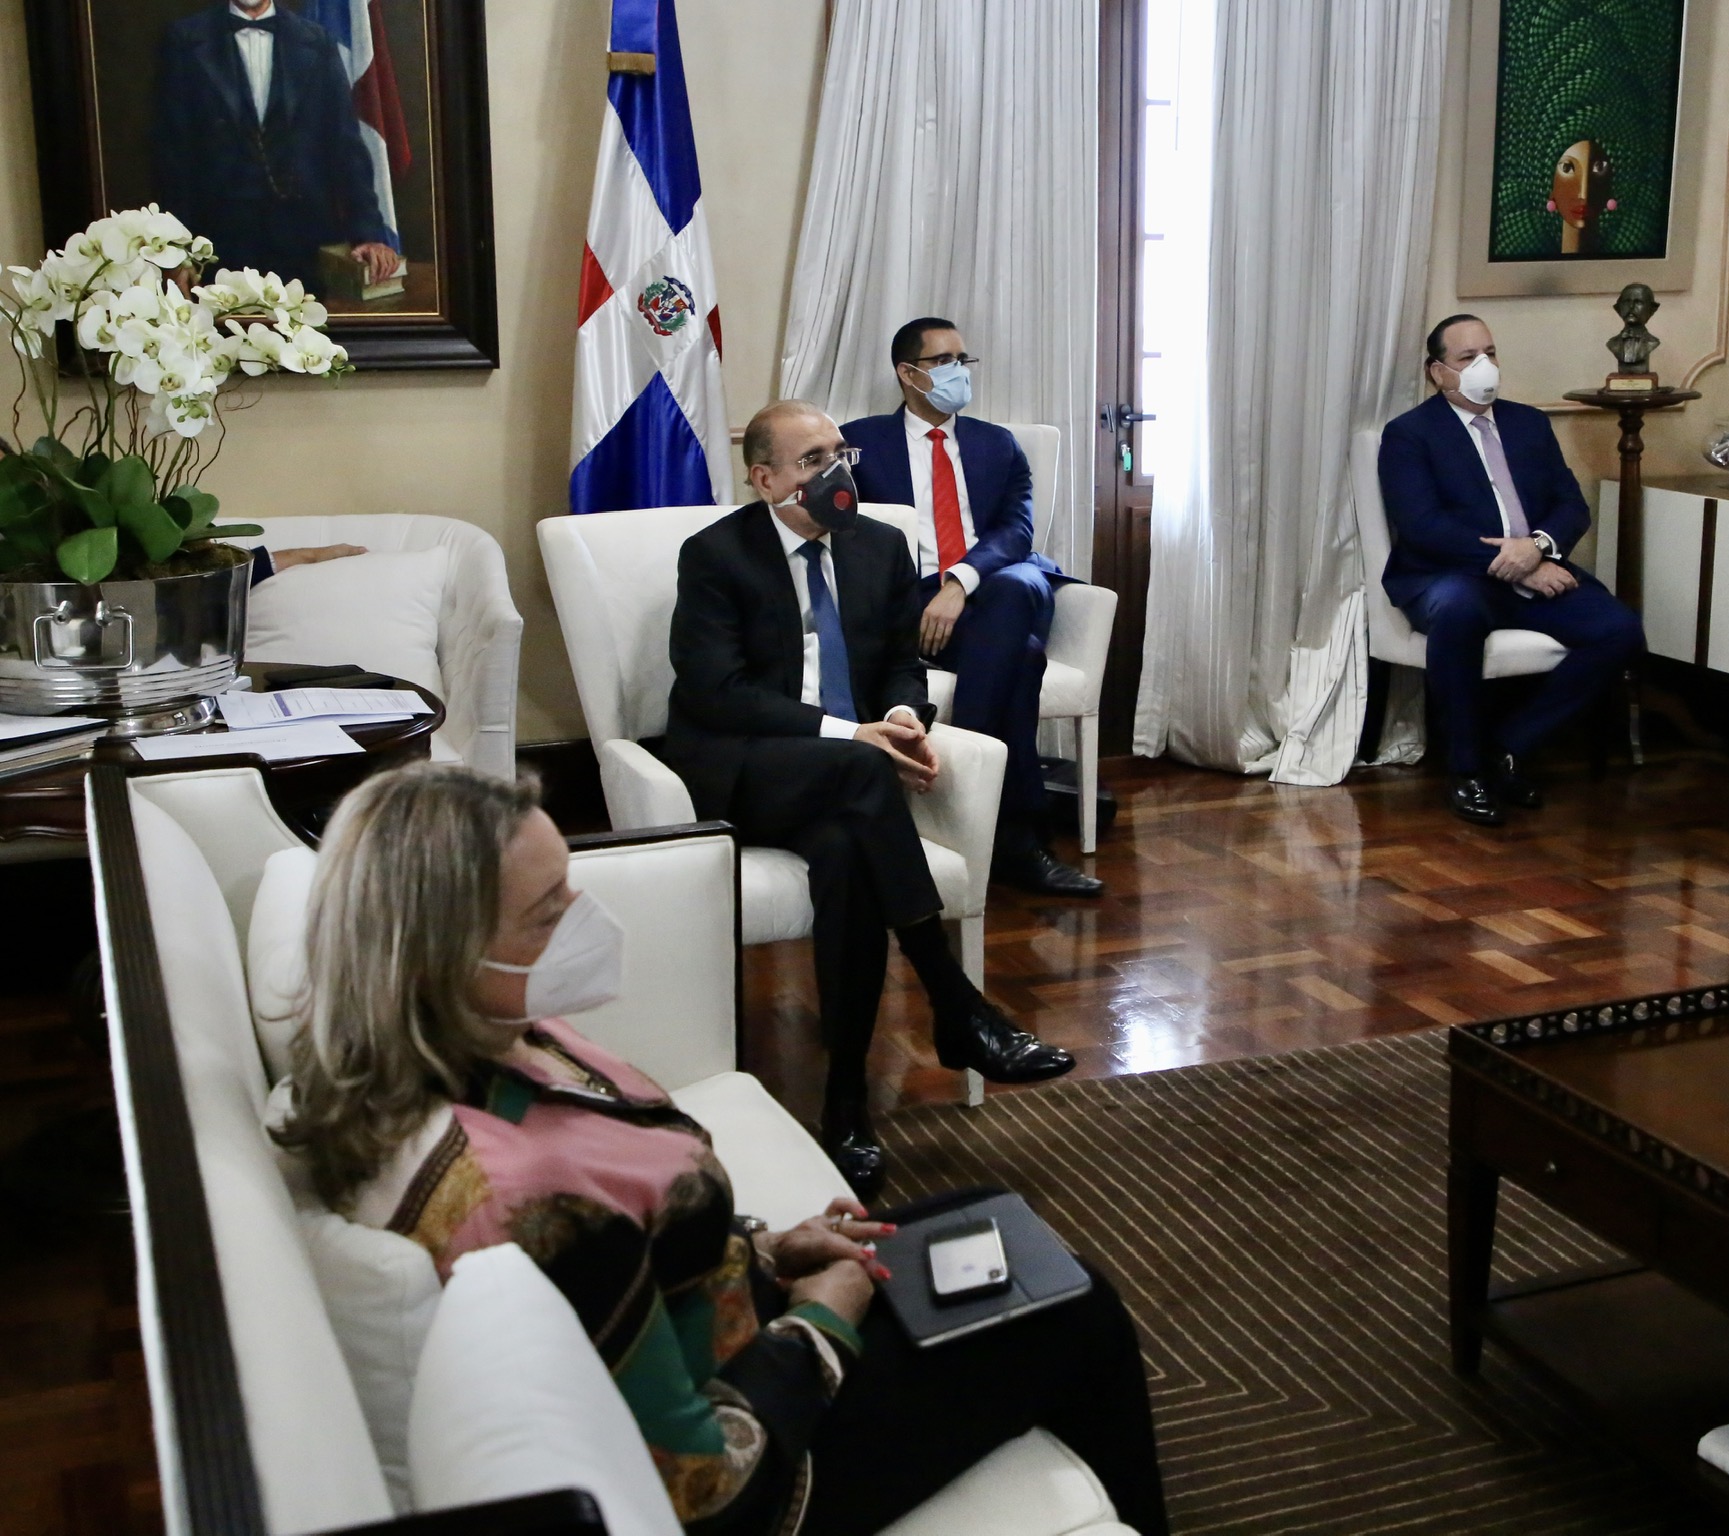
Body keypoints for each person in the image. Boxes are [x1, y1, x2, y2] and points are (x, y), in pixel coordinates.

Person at [271, 764, 1169, 1536]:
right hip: (777, 1456)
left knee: (995, 1230)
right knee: (1076, 1307)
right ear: (443, 953)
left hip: (735, 1314)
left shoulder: (459, 1043)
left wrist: (768, 1249)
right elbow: (707, 1493)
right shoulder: (532, 1205)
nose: (583, 917)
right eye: (547, 913)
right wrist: (820, 1322)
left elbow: (646, 1238)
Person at [660, 400, 1075, 1195]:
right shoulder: (716, 554)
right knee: (858, 774)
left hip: (846, 780)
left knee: (845, 852)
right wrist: (851, 736)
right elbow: (717, 691)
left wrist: (900, 719)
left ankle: (846, 1103)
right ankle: (954, 1003)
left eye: (839, 453)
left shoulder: (880, 545)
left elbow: (901, 666)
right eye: (813, 461)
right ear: (765, 479)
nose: (837, 472)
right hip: (747, 765)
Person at [843, 319, 1100, 898]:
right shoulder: (858, 444)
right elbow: (849, 534)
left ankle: (967, 799)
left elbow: (1017, 530)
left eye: (964, 359)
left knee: (1013, 589)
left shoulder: (997, 444)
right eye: (944, 361)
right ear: (908, 373)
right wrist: (924, 594)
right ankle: (1016, 838)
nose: (959, 371)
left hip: (997, 583)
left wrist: (958, 583)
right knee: (1022, 659)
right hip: (917, 602)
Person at [1376, 315, 1646, 827]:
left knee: (1620, 630)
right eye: (1467, 357)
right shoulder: (1410, 434)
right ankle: (1466, 770)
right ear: (1438, 372)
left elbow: (1571, 505)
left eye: (1490, 353)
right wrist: (1518, 566)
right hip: (1453, 575)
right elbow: (1423, 526)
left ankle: (1512, 745)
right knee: (1457, 612)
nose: (1485, 365)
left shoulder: (1529, 423)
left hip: (1538, 564)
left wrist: (1538, 549)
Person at [150, 0, 399, 291]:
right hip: (217, 247)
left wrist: (368, 234)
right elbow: (171, 157)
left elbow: (346, 147)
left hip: (305, 248)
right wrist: (176, 250)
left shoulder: (317, 41)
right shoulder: (184, 40)